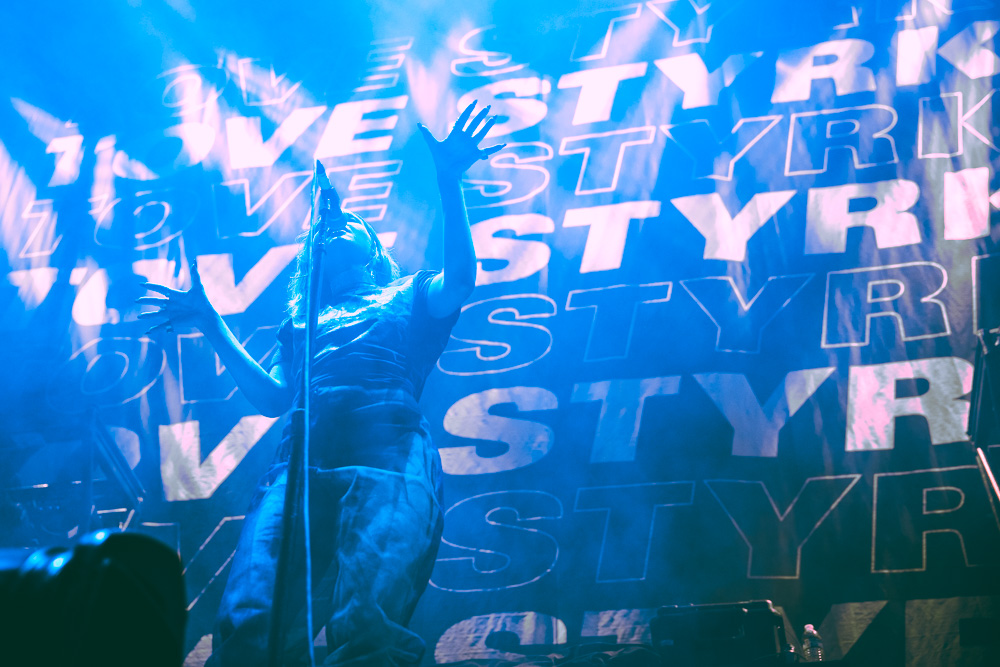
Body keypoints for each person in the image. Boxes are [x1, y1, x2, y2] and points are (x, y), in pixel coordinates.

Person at [138, 101, 504, 666]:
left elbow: (460, 278)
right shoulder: (302, 324)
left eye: (349, 224)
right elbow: (274, 397)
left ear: (374, 248)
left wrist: (448, 181)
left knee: (367, 620)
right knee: (251, 617)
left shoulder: (406, 294)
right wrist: (213, 324)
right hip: (297, 469)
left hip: (387, 460)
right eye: (326, 230)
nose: (335, 228)